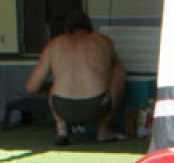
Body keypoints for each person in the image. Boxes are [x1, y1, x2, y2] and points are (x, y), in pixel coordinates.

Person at [25, 11, 126, 145]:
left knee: (54, 86)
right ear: (90, 28)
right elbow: (113, 66)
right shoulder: (103, 41)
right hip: (96, 105)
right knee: (119, 69)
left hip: (62, 107)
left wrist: (49, 88)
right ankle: (103, 130)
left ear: (66, 29)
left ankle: (62, 131)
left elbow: (32, 87)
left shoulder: (54, 44)